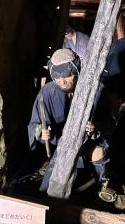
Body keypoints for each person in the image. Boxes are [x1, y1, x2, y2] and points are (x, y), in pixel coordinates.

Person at [28, 48, 109, 193]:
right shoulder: (47, 92)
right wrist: (40, 132)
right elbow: (35, 123)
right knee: (51, 187)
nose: (62, 81)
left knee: (98, 153)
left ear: (77, 71)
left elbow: (109, 122)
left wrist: (95, 127)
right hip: (61, 145)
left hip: (87, 143)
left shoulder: (97, 90)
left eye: (68, 76)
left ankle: (100, 185)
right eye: (57, 78)